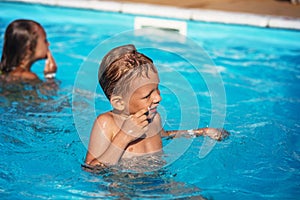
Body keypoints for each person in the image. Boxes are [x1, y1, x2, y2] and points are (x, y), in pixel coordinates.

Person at [84, 44, 228, 168]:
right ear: (119, 103)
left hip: (158, 180)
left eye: (157, 88)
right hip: (123, 187)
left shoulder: (153, 117)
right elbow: (91, 168)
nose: (158, 97)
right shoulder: (106, 124)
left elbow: (164, 136)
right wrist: (124, 137)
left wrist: (202, 132)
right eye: (147, 95)